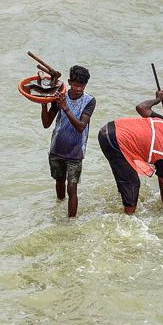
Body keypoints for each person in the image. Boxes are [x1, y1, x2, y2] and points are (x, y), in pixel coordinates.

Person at [97, 90, 163, 215]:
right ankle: (128, 217)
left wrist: (157, 100)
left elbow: (141, 107)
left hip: (107, 129)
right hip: (116, 141)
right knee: (133, 183)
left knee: (125, 175)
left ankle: (123, 203)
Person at [41, 65, 95, 217]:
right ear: (70, 82)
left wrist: (64, 107)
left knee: (72, 187)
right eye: (76, 85)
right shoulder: (59, 97)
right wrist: (44, 103)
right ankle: (59, 208)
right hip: (57, 149)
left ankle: (71, 222)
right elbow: (46, 124)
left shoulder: (89, 101)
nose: (79, 89)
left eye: (82, 85)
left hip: (75, 151)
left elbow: (80, 127)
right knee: (59, 182)